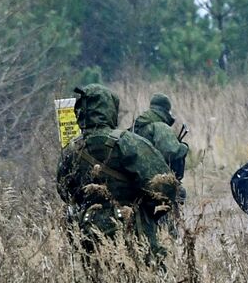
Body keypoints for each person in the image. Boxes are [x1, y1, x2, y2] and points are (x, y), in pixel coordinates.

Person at [56, 84, 181, 259]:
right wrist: (151, 210)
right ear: (110, 109)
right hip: (134, 233)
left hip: (89, 236)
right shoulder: (128, 143)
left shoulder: (71, 151)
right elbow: (165, 186)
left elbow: (64, 191)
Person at [130, 93, 189, 180]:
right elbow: (171, 152)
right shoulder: (160, 126)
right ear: (167, 110)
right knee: (181, 193)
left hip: (134, 176)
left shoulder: (136, 125)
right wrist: (183, 147)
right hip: (152, 178)